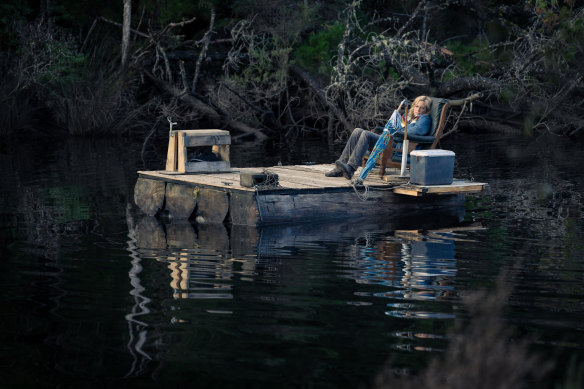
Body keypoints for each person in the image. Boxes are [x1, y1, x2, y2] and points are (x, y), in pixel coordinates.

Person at [325, 96, 433, 180]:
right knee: (357, 131)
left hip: (396, 147)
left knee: (366, 134)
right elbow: (399, 128)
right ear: (414, 106)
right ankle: (340, 167)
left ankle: (351, 168)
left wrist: (396, 131)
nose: (418, 110)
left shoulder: (424, 119)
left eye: (422, 108)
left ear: (426, 110)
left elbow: (416, 132)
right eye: (417, 106)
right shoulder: (408, 118)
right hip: (389, 141)